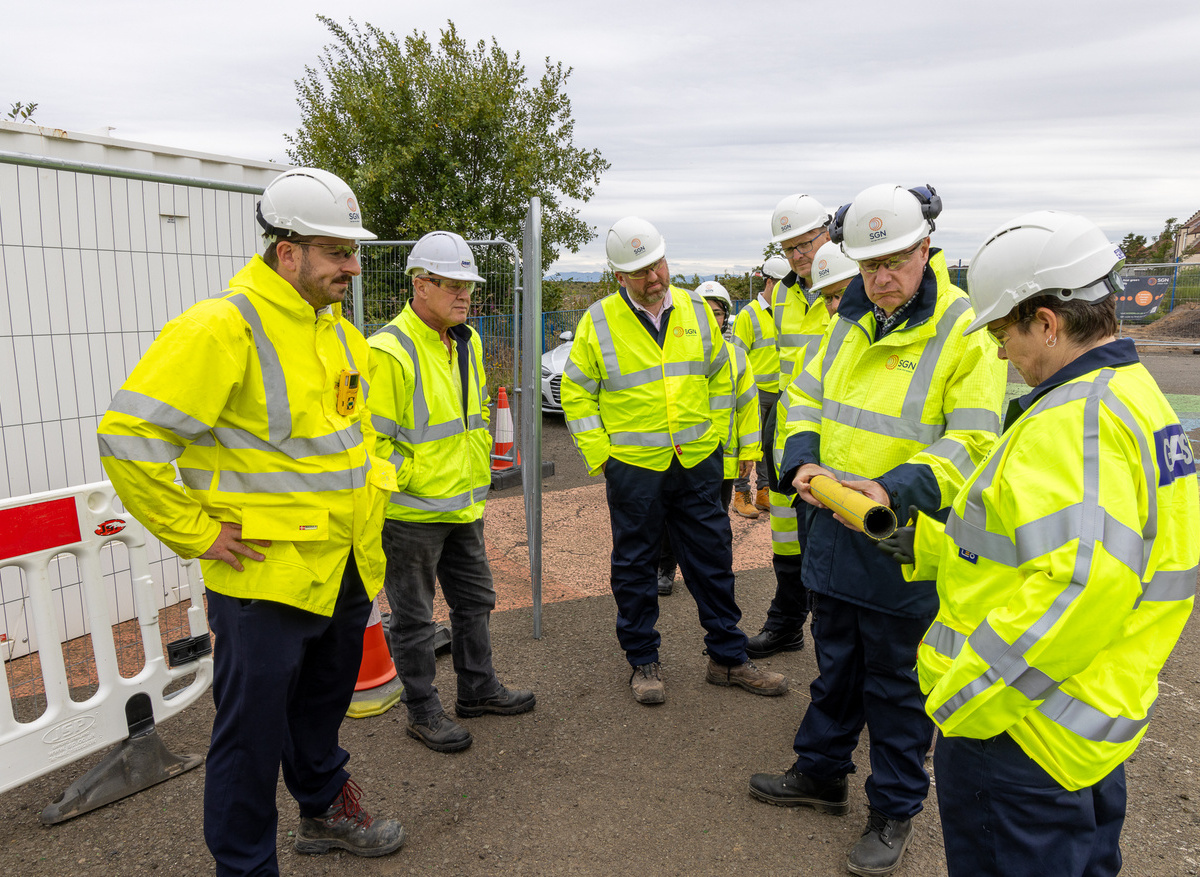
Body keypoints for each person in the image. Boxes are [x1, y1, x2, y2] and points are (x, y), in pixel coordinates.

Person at [97, 168, 405, 875]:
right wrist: (196, 532)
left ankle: (323, 808)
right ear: (287, 252)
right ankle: (244, 865)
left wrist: (375, 500)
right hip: (260, 578)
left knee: (318, 712)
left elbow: (353, 442)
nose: (353, 267)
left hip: (341, 569)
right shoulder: (220, 327)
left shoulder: (340, 334)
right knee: (250, 736)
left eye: (353, 252)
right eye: (337, 252)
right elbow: (127, 437)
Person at [877, 211, 1198, 876]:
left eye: (1003, 332)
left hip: (1022, 734)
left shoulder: (1073, 422)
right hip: (1084, 729)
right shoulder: (1135, 397)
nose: (998, 353)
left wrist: (967, 700)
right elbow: (1053, 549)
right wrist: (926, 544)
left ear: (1047, 322)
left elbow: (1083, 584)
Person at [749, 184, 1007, 877]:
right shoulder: (850, 316)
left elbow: (975, 444)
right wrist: (799, 458)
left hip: (898, 533)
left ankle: (893, 808)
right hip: (833, 526)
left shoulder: (964, 327)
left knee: (896, 683)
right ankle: (822, 773)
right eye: (868, 265)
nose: (880, 277)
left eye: (894, 261)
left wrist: (891, 489)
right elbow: (805, 394)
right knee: (836, 664)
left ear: (926, 248)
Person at [560, 216, 788, 705]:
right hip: (634, 469)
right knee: (636, 565)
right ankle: (643, 660)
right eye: (640, 270)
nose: (654, 276)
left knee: (712, 560)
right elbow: (577, 393)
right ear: (619, 276)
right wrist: (602, 455)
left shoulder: (695, 310)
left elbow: (719, 379)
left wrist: (730, 449)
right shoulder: (598, 321)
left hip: (697, 462)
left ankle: (727, 658)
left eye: (658, 263)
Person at [368, 231, 535, 754]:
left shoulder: (467, 339)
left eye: (468, 286)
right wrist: (416, 476)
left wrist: (474, 463)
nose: (465, 296)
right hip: (411, 514)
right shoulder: (388, 351)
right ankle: (422, 711)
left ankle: (477, 689)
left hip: (463, 503)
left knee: (475, 600)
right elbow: (371, 445)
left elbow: (475, 413)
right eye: (453, 285)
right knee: (415, 618)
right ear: (421, 285)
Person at [744, 195, 831, 660]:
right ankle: (786, 625)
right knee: (785, 537)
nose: (799, 255)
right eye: (789, 248)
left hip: (830, 435)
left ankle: (830, 640)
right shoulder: (783, 294)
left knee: (826, 541)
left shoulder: (849, 287)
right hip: (786, 431)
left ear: (829, 233)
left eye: (806, 243)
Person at [657, 281, 761, 596]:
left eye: (716, 313)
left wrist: (750, 452)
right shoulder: (675, 355)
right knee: (671, 519)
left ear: (725, 317)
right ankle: (666, 569)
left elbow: (748, 407)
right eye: (704, 313)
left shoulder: (737, 357)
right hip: (681, 455)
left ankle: (714, 571)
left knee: (715, 522)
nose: (710, 319)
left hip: (723, 459)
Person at [731, 255, 789, 519]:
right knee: (747, 444)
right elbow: (738, 356)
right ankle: (740, 493)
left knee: (769, 444)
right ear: (769, 282)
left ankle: (764, 491)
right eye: (782, 284)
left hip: (779, 390)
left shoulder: (786, 310)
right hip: (754, 392)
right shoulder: (748, 314)